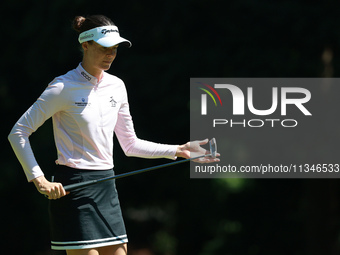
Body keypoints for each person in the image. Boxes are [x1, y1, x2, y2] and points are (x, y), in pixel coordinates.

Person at [8, 15, 219, 255]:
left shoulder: (117, 86)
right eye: (104, 48)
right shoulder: (62, 87)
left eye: (115, 49)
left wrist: (177, 150)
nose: (110, 55)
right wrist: (40, 179)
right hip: (73, 187)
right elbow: (18, 132)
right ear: (85, 45)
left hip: (106, 185)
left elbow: (130, 144)